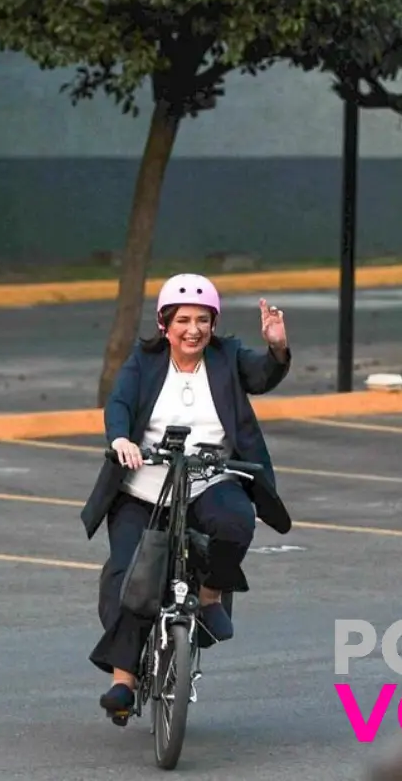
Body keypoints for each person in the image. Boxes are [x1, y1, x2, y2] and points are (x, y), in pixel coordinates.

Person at [77, 272, 295, 723]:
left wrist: (276, 347)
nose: (193, 329)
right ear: (164, 324)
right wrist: (121, 439)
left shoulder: (227, 356)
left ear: (213, 324)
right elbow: (119, 403)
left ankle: (211, 595)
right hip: (144, 489)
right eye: (182, 320)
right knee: (130, 577)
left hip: (208, 480)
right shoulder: (145, 361)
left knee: (236, 521)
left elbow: (260, 374)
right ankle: (123, 681)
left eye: (202, 320)